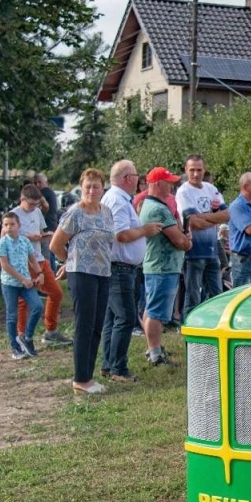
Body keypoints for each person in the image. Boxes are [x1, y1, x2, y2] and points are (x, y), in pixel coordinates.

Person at [50, 168, 115, 395]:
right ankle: (81, 378)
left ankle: (89, 375)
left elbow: (109, 242)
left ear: (102, 188)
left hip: (103, 272)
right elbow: (56, 245)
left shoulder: (106, 212)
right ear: (81, 187)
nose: (91, 190)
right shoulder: (75, 213)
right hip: (82, 272)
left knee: (98, 324)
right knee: (84, 325)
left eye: (95, 186)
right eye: (87, 186)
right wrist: (68, 262)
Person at [102, 160, 154, 381]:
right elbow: (121, 234)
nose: (138, 180)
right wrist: (145, 230)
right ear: (127, 178)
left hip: (120, 267)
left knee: (112, 318)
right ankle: (118, 368)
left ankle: (108, 364)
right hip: (120, 268)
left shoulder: (118, 199)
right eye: (136, 175)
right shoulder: (118, 201)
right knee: (125, 317)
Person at [139, 166, 191, 366]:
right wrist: (187, 242)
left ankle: (153, 347)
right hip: (163, 267)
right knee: (156, 312)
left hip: (156, 266)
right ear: (158, 184)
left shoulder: (148, 204)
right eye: (168, 182)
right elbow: (178, 240)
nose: (172, 185)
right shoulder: (159, 209)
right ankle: (155, 354)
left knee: (151, 309)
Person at [14, 184, 68, 346]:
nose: (33, 208)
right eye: (30, 204)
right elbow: (9, 236)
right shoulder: (14, 215)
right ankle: (21, 334)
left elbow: (41, 230)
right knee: (23, 300)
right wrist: (30, 236)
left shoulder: (37, 212)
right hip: (23, 261)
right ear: (22, 200)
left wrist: (45, 235)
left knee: (56, 293)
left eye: (36, 204)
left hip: (39, 258)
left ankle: (50, 331)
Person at [177, 155, 229, 317]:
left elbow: (226, 215)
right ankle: (188, 332)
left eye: (199, 170)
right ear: (186, 170)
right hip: (193, 252)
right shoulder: (183, 192)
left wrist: (202, 216)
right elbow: (193, 223)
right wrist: (213, 218)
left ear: (204, 170)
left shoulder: (210, 188)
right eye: (192, 170)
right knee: (193, 296)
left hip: (212, 251)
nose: (195, 174)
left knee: (218, 296)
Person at [0, 211, 42, 359]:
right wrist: (22, 278)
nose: (9, 227)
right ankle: (15, 348)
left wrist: (39, 273)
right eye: (6, 225)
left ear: (19, 226)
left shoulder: (24, 241)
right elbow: (5, 265)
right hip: (10, 283)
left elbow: (32, 258)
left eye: (12, 224)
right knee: (12, 315)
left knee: (38, 306)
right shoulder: (2, 243)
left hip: (25, 282)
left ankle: (27, 337)